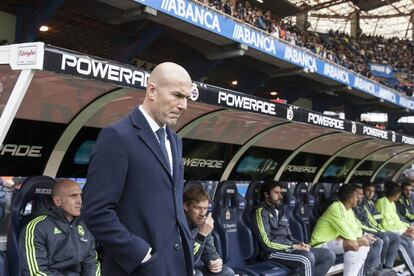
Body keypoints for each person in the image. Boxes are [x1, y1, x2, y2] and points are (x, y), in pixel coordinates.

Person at [82, 62, 194, 276]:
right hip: (139, 268)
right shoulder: (117, 137)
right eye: (177, 95)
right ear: (152, 90)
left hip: (177, 265)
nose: (184, 105)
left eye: (187, 98)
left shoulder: (175, 140)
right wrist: (142, 255)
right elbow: (96, 211)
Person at [252, 181, 335, 276]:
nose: (280, 196)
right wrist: (293, 246)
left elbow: (288, 237)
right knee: (307, 258)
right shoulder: (261, 212)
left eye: (280, 193)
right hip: (272, 253)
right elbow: (267, 243)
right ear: (266, 194)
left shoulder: (279, 210)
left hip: (290, 249)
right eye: (276, 193)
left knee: (328, 255)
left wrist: (300, 244)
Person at [19, 179, 100, 275]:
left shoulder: (84, 225)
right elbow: (36, 272)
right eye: (73, 196)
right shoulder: (37, 227)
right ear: (58, 201)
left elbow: (91, 263)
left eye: (80, 196)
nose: (80, 201)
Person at [310, 184, 370, 276]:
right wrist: (359, 239)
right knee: (352, 244)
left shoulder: (348, 210)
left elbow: (357, 230)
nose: (358, 199)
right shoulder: (335, 208)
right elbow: (349, 235)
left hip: (333, 242)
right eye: (356, 197)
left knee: (364, 243)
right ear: (350, 199)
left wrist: (361, 238)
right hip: (319, 244)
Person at [183, 185, 235, 276]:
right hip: (180, 268)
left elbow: (210, 252)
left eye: (205, 208)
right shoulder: (179, 225)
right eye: (198, 208)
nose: (202, 214)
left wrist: (214, 261)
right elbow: (185, 260)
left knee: (227, 272)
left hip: (194, 268)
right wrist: (201, 234)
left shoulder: (202, 223)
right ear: (186, 207)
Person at [352, 183, 400, 272]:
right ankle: (378, 268)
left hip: (376, 229)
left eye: (373, 191)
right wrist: (379, 231)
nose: (370, 194)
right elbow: (369, 222)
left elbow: (376, 219)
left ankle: (388, 267)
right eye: (368, 191)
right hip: (369, 231)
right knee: (383, 239)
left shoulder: (369, 203)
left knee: (396, 237)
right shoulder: (363, 204)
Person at [375, 181, 414, 274]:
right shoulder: (382, 202)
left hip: (397, 232)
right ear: (396, 194)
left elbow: (397, 220)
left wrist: (408, 227)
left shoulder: (391, 203)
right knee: (403, 245)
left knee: (409, 241)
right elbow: (385, 225)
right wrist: (403, 231)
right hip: (388, 234)